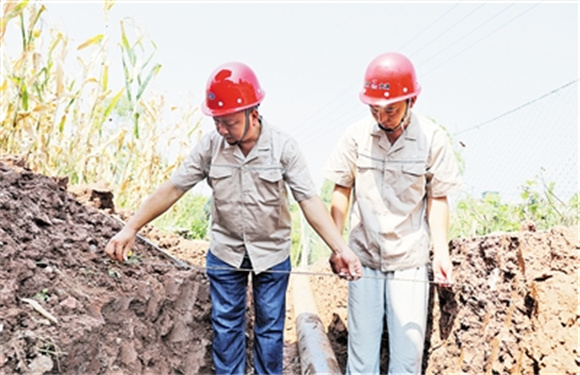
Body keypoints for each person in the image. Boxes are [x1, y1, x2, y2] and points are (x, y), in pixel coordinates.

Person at [104, 61, 362, 375]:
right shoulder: (211, 146)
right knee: (226, 328)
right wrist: (131, 227)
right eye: (217, 122)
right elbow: (174, 188)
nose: (222, 130)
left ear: (253, 113)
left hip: (272, 254)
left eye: (229, 122)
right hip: (225, 252)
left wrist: (340, 248)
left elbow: (309, 200)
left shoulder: (283, 148)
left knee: (269, 330)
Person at [324, 52, 463, 374]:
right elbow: (341, 190)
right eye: (374, 109)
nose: (382, 117)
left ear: (411, 100)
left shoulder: (432, 139)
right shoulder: (356, 136)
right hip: (364, 259)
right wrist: (338, 246)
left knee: (407, 357)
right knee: (361, 356)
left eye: (391, 109)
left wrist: (441, 252)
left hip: (409, 262)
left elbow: (438, 198)